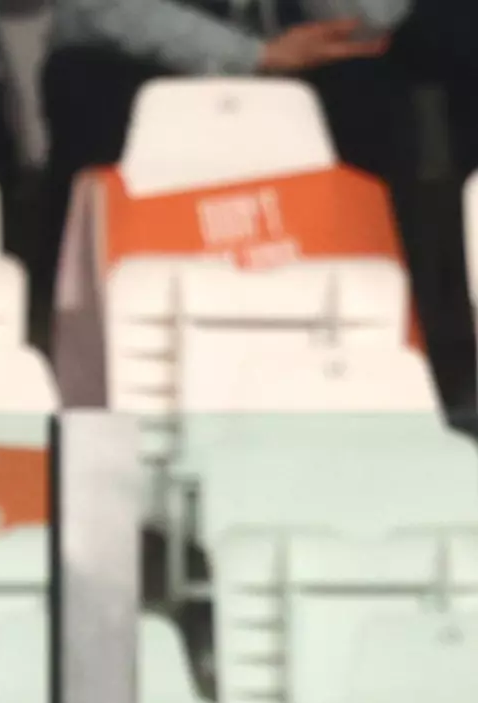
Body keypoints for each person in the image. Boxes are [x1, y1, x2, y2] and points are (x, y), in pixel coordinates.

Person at [36, 0, 478, 413]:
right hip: (132, 50)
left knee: (369, 86)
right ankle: (109, 377)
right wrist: (254, 55)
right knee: (87, 81)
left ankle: (395, 365)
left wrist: (291, 47)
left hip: (297, 47)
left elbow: (371, 16)